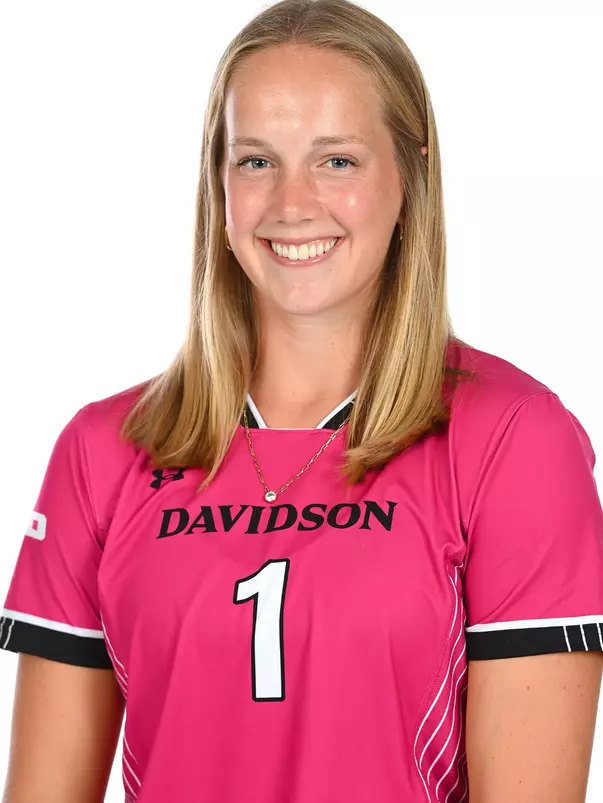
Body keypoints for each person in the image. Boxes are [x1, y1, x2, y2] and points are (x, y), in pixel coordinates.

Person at [2, 0, 603, 801]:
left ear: (410, 174)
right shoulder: (102, 447)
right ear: (217, 183)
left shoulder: (515, 440)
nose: (291, 203)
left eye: (337, 161)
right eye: (255, 161)